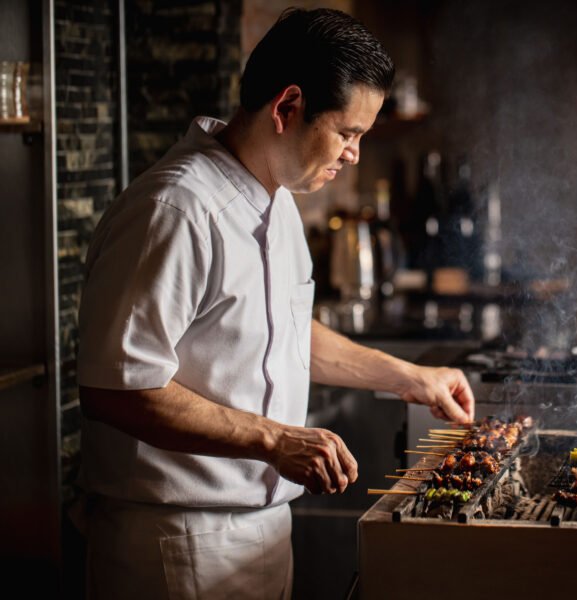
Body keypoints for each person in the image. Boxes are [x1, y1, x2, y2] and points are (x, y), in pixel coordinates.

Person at [74, 8, 475, 599]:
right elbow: (117, 387)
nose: (355, 154)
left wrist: (409, 377)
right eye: (348, 133)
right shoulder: (177, 210)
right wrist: (275, 440)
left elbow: (285, 332)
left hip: (263, 530)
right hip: (178, 540)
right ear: (287, 108)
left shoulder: (278, 200)